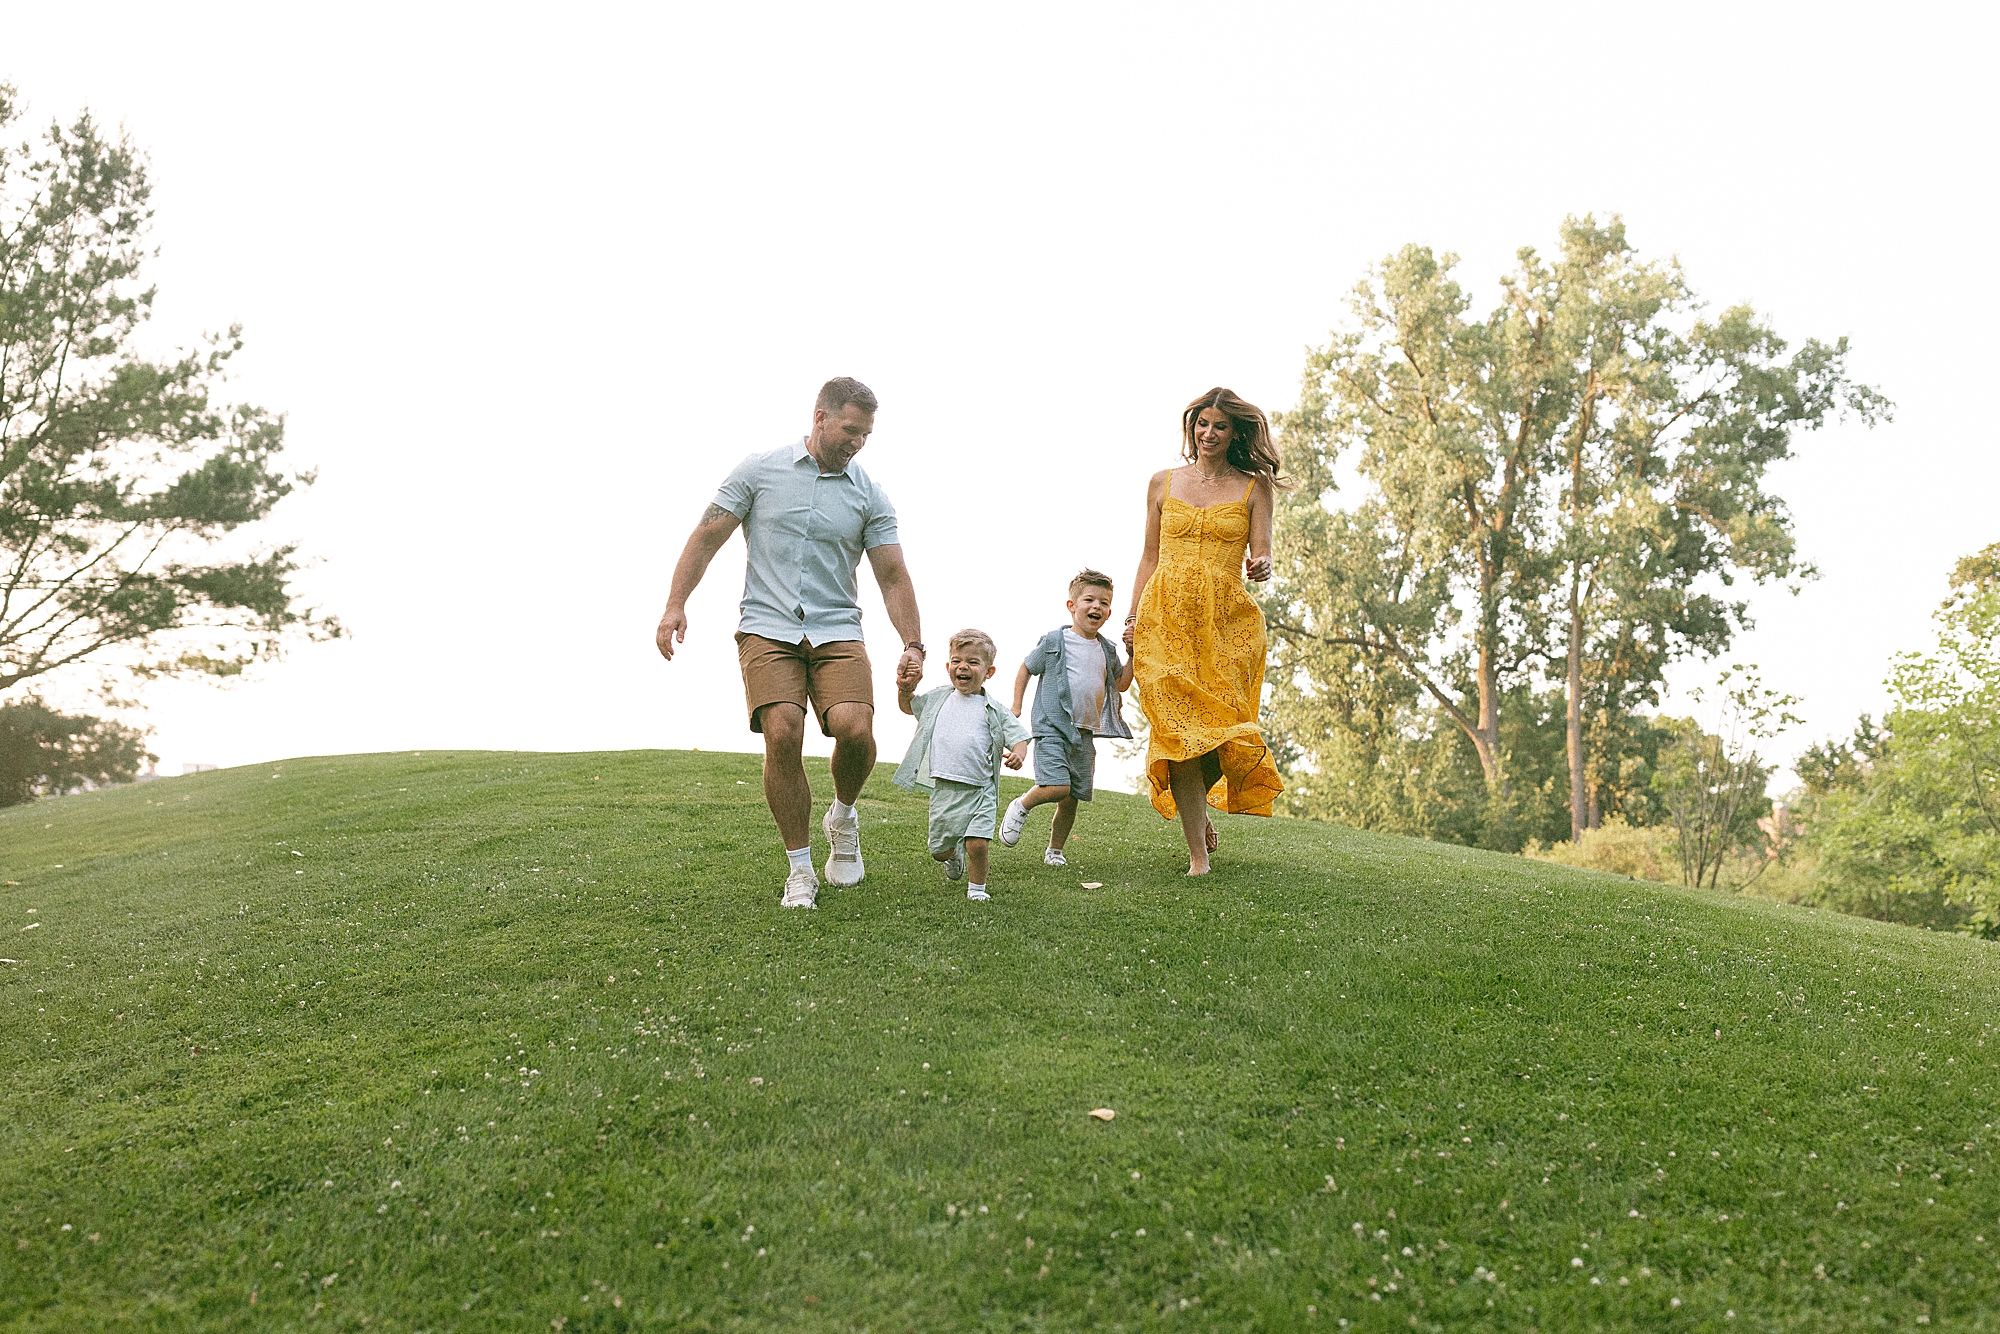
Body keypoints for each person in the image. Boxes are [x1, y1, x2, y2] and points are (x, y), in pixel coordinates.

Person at [655, 376, 924, 909]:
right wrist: (674, 604)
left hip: (837, 628)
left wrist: (913, 643)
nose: (858, 442)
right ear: (820, 417)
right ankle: (800, 868)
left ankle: (842, 815)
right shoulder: (760, 470)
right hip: (767, 625)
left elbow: (892, 575)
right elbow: (707, 535)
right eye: (850, 430)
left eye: (866, 434)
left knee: (856, 729)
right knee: (782, 731)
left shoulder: (869, 493)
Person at [1122, 387, 1287, 875]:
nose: (1208, 433)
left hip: (1225, 622)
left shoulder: (1255, 487)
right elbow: (1149, 557)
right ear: (1191, 427)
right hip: (1165, 615)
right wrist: (1133, 619)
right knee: (1176, 731)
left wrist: (1262, 566)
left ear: (1235, 432)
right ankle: (1198, 854)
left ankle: (1198, 809)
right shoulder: (1162, 483)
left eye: (1219, 426)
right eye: (1201, 424)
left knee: (1220, 731)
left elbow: (1262, 552)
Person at [999, 569, 1135, 866]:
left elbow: (1122, 683)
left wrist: (1132, 653)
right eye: (1089, 600)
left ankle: (1055, 850)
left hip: (1083, 733)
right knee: (1057, 785)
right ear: (1072, 606)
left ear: (1109, 612)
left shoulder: (1107, 649)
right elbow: (1025, 668)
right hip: (1051, 726)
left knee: (1071, 797)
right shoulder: (1054, 641)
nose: (1096, 607)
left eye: (1104, 603)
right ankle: (1021, 805)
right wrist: (1016, 705)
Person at [893, 629, 1031, 902]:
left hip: (981, 789)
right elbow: (908, 707)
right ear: (948, 667)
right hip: (944, 788)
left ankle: (976, 890)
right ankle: (952, 853)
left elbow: (1019, 737)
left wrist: (1018, 753)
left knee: (978, 844)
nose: (963, 667)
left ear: (988, 672)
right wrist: (905, 688)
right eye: (956, 661)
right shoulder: (938, 699)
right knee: (938, 851)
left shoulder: (994, 709)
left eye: (972, 662)